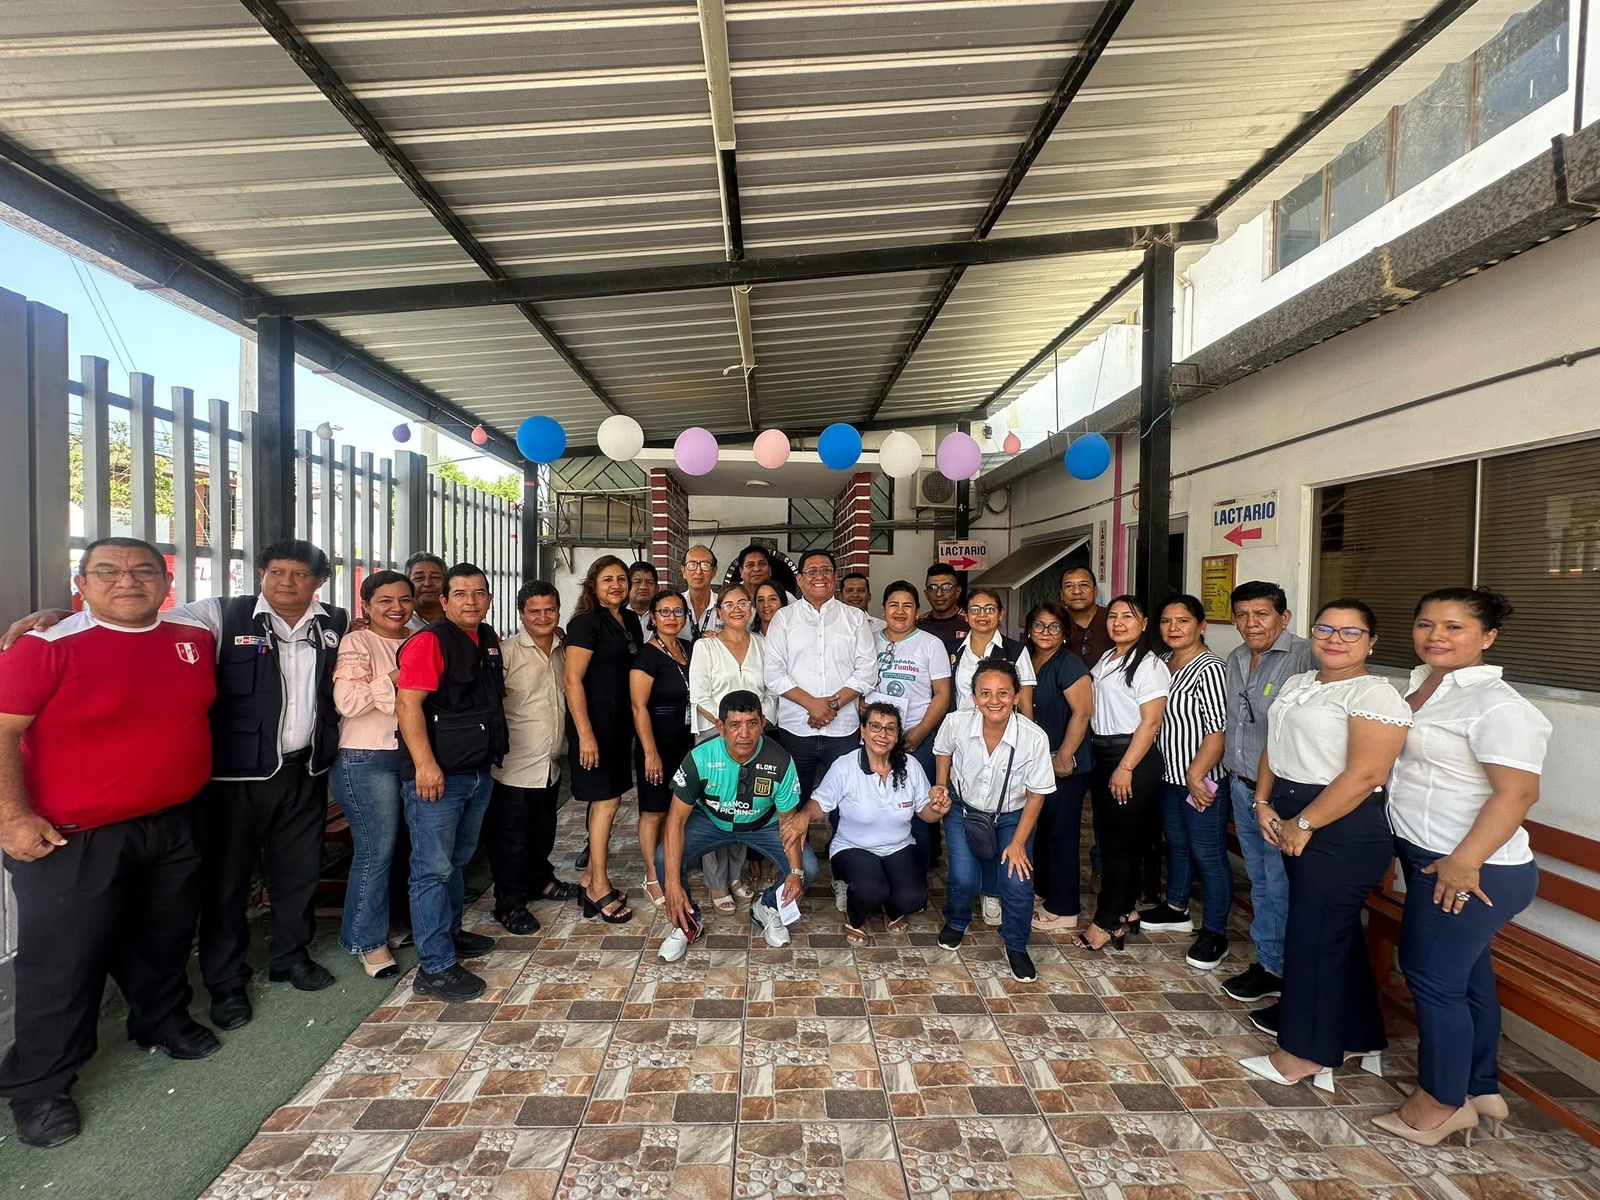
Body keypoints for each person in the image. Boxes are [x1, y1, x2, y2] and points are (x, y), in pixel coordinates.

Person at [0, 539, 218, 1148]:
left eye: (143, 570)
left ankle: (161, 1022)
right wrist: (10, 816)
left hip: (172, 821)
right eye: (108, 571)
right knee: (62, 961)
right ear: (82, 582)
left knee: (164, 936)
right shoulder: (43, 647)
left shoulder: (193, 637)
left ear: (166, 582)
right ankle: (40, 1085)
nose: (127, 581)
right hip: (71, 835)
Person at [1374, 588, 1550, 1147]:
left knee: (1431, 978)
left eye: (1454, 627)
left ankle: (1440, 1103)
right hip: (1431, 855)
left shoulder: (1498, 705)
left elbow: (1517, 793)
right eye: (1426, 624)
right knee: (1468, 977)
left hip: (1471, 865)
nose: (1436, 636)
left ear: (1488, 637)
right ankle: (1479, 1084)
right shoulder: (1420, 684)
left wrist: (1465, 861)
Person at [1239, 599, 1411, 1094]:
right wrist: (1263, 802)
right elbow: (1274, 745)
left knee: (1313, 941)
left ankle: (1304, 1054)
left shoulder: (1375, 694)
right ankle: (1359, 1036)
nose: (1335, 639)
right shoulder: (1301, 683)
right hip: (1292, 811)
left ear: (1372, 642)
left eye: (1350, 632)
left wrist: (1305, 823)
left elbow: (1367, 774)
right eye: (1326, 629)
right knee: (1333, 936)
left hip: (1341, 826)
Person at [394, 563, 507, 1002]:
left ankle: (451, 933)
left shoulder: (487, 638)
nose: (470, 602)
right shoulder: (429, 642)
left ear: (489, 599)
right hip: (437, 778)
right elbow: (408, 705)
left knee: (456, 861)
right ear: (444, 601)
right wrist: (425, 765)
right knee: (432, 871)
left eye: (478, 593)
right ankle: (435, 967)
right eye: (460, 594)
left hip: (476, 772)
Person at [657, 691, 819, 961]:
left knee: (808, 868)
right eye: (735, 725)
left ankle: (768, 907)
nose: (744, 734)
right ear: (720, 727)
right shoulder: (700, 757)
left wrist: (795, 871)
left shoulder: (780, 761)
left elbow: (788, 822)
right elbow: (675, 821)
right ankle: (687, 922)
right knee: (664, 857)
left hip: (763, 825)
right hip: (711, 822)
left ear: (763, 724)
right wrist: (672, 885)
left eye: (752, 723)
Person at [1219, 581, 1314, 1015]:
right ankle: (1270, 963)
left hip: (1282, 795)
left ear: (1284, 617)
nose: (1251, 623)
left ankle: (1293, 975)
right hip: (1243, 786)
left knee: (1281, 883)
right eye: (1242, 615)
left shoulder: (1307, 657)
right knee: (1260, 879)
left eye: (1261, 614)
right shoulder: (1236, 658)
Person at [932, 661, 1056, 981]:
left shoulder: (1034, 737)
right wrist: (942, 785)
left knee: (1016, 881)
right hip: (963, 810)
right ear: (974, 697)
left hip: (1013, 817)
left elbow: (1037, 795)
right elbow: (943, 750)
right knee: (963, 878)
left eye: (1003, 693)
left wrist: (1018, 843)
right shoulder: (956, 722)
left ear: (1016, 696)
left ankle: (1016, 944)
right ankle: (956, 920)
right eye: (985, 693)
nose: (994, 700)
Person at [330, 570, 415, 980]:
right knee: (375, 851)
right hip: (366, 757)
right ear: (366, 605)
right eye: (385, 600)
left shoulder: (419, 638)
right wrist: (396, 677)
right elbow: (348, 702)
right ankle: (366, 941)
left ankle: (384, 925)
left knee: (399, 849)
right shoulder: (357, 642)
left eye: (404, 599)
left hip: (408, 755)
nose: (396, 608)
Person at [1140, 595, 1231, 971]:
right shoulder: (1163, 662)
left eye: (1183, 621)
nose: (1173, 628)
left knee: (1208, 854)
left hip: (1201, 781)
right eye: (1166, 621)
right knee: (1177, 845)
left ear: (1201, 626)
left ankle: (1215, 933)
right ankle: (1177, 908)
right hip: (1168, 778)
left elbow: (1217, 730)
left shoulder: (1210, 668)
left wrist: (1196, 775)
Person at [1077, 595, 1170, 953]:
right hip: (1104, 753)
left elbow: (1151, 723)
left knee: (1117, 845)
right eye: (1113, 616)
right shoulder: (1107, 658)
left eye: (1128, 617)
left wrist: (1125, 767)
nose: (1118, 622)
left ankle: (1106, 921)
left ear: (1144, 624)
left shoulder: (1149, 666)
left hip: (1131, 757)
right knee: (1120, 840)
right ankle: (1126, 910)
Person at [487, 581, 579, 938]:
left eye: (549, 610)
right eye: (534, 611)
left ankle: (540, 881)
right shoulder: (506, 653)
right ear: (521, 613)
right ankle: (508, 904)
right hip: (514, 765)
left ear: (558, 610)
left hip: (550, 763)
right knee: (511, 839)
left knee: (543, 831)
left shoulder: (563, 650)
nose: (542, 617)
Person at [812, 703, 948, 944]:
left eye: (890, 728)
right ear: (862, 731)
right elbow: (820, 803)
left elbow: (925, 813)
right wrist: (800, 819)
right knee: (872, 890)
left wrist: (936, 810)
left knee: (913, 899)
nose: (882, 734)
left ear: (897, 736)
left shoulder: (911, 766)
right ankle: (855, 916)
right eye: (875, 727)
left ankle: (891, 908)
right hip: (853, 846)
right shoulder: (845, 765)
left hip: (899, 845)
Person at [762, 548, 878, 802]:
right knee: (792, 801)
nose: (819, 576)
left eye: (826, 570)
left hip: (843, 730)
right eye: (812, 571)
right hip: (796, 729)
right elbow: (773, 672)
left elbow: (867, 671)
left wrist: (830, 706)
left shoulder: (855, 618)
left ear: (835, 577)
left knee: (845, 803)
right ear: (800, 579)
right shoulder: (783, 618)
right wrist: (811, 704)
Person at [563, 555, 642, 924]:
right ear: (593, 585)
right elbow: (572, 680)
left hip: (619, 726)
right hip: (593, 727)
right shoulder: (584, 623)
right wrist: (585, 734)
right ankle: (598, 885)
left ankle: (590, 878)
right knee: (606, 802)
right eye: (607, 579)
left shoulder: (629, 620)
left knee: (609, 801)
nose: (616, 585)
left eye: (622, 579)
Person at [688, 582, 772, 909]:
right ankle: (715, 881)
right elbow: (700, 694)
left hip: (753, 738)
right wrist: (728, 729)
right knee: (714, 807)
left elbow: (771, 691)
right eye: (729, 604)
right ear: (719, 612)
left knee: (743, 804)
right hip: (714, 735)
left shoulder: (763, 644)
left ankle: (735, 874)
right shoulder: (706, 646)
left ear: (751, 608)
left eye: (743, 603)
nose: (737, 609)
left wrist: (754, 725)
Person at [865, 580, 952, 872]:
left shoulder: (930, 644)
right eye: (894, 605)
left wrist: (919, 733)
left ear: (917, 611)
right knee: (877, 803)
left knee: (919, 809)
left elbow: (942, 694)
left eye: (907, 606)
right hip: (875, 739)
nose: (900, 611)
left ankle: (918, 873)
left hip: (916, 738)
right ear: (883, 609)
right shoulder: (869, 640)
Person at [1021, 601, 1093, 934]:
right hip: (1038, 763)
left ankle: (1064, 908)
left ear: (1064, 632)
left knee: (1062, 835)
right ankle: (1044, 892)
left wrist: (1063, 756)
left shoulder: (1069, 663)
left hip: (1066, 765)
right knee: (1043, 831)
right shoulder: (1027, 659)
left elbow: (1082, 713)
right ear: (1029, 629)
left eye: (1054, 627)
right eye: (1039, 625)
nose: (1045, 632)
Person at [631, 590, 695, 910]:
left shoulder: (689, 649)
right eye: (664, 612)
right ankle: (651, 876)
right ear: (653, 618)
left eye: (678, 612)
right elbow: (638, 706)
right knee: (653, 812)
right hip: (656, 742)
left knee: (676, 811)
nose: (672, 617)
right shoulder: (647, 655)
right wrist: (650, 753)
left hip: (685, 743)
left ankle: (670, 867)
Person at [952, 587, 1035, 718]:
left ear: (1000, 614)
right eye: (975, 609)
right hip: (959, 726)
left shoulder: (1016, 651)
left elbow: (1024, 704)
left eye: (989, 609)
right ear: (966, 616)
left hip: (1000, 727)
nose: (982, 614)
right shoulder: (953, 649)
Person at [1060, 565, 1113, 667]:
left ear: (1095, 591)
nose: (1077, 591)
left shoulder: (1113, 619)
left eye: (1084, 585)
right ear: (1061, 594)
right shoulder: (1056, 622)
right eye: (1069, 586)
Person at [917, 563, 969, 656]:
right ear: (926, 594)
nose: (939, 594)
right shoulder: (917, 624)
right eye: (933, 588)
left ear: (958, 591)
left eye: (946, 587)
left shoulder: (971, 622)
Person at [682, 545, 721, 639]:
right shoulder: (674, 606)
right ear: (683, 571)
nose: (698, 571)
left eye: (705, 565)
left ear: (714, 571)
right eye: (692, 565)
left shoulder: (724, 605)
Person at [404, 552, 447, 631]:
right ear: (407, 584)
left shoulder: (458, 616)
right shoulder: (400, 619)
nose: (427, 583)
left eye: (435, 577)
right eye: (419, 578)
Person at [627, 560, 659, 635]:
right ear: (627, 586)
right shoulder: (617, 616)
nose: (643, 587)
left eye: (650, 582)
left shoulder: (664, 615)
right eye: (637, 582)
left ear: (657, 588)